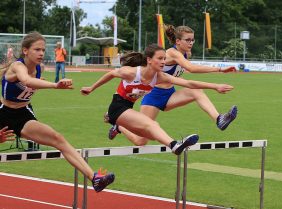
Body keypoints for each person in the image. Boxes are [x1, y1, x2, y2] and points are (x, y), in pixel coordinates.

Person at [0, 31, 114, 192]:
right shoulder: (18, 66)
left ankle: (94, 178)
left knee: (58, 138)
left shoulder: (40, 68)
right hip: (4, 112)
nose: (41, 53)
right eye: (37, 49)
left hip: (23, 115)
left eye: (43, 50)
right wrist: (54, 85)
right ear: (25, 50)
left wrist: (39, 83)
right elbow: (25, 80)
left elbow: (30, 84)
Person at [81, 44, 233, 153]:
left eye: (164, 59)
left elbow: (188, 83)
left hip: (128, 109)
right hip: (117, 107)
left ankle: (118, 127)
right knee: (151, 124)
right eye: (160, 59)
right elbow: (111, 74)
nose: (163, 62)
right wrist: (91, 88)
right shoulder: (132, 73)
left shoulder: (160, 77)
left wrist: (215, 86)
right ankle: (175, 145)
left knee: (145, 138)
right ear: (149, 60)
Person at [108, 25, 238, 144]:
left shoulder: (186, 53)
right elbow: (191, 68)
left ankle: (219, 119)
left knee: (196, 91)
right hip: (153, 96)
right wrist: (219, 69)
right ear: (178, 41)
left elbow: (188, 74)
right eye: (188, 40)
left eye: (193, 40)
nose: (191, 43)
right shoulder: (172, 53)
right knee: (141, 141)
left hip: (170, 94)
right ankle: (119, 126)